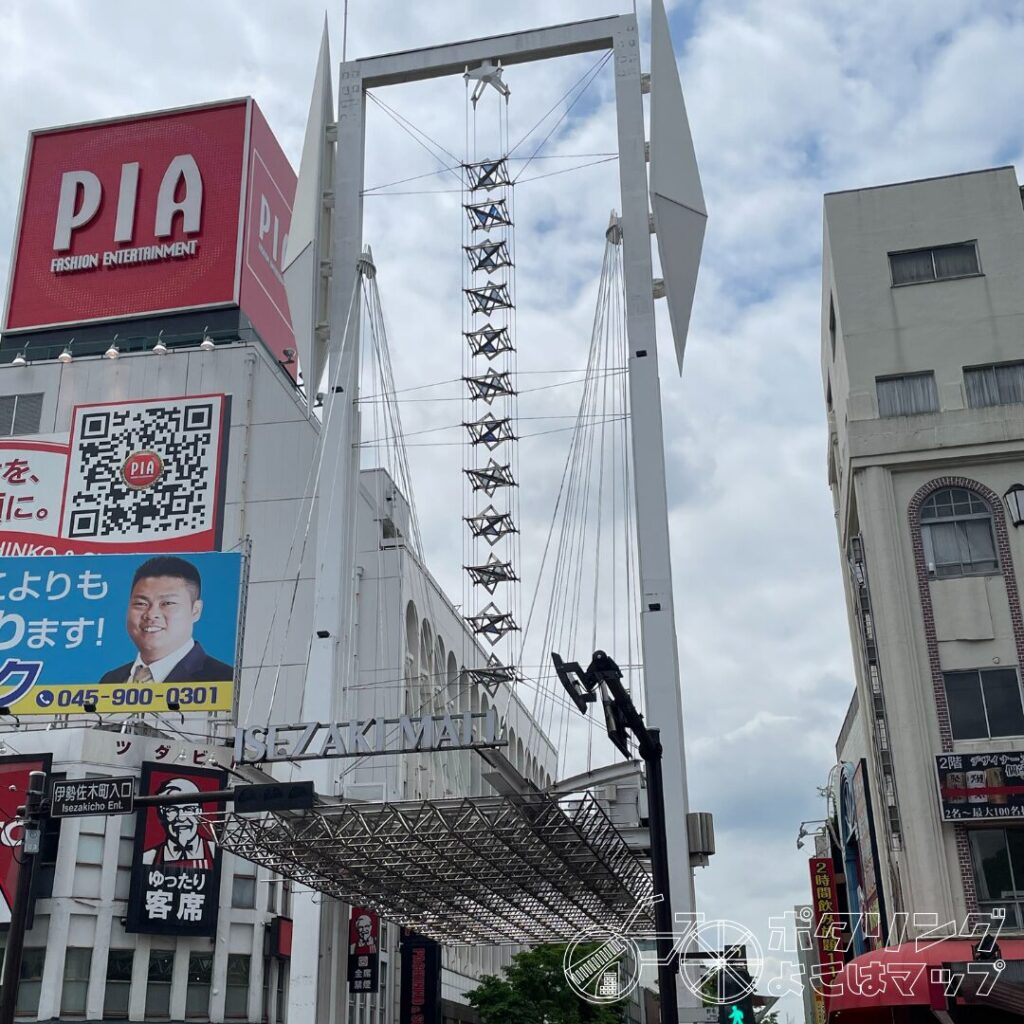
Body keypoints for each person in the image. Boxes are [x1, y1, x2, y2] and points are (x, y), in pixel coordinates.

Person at [101, 556, 233, 685]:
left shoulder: (224, 679)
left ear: (195, 610)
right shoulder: (111, 680)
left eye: (167, 603)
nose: (151, 614)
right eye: (141, 603)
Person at [141, 778, 216, 868]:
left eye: (189, 809)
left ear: (200, 812)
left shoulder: (214, 851)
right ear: (162, 813)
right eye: (172, 809)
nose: (182, 818)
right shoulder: (148, 858)